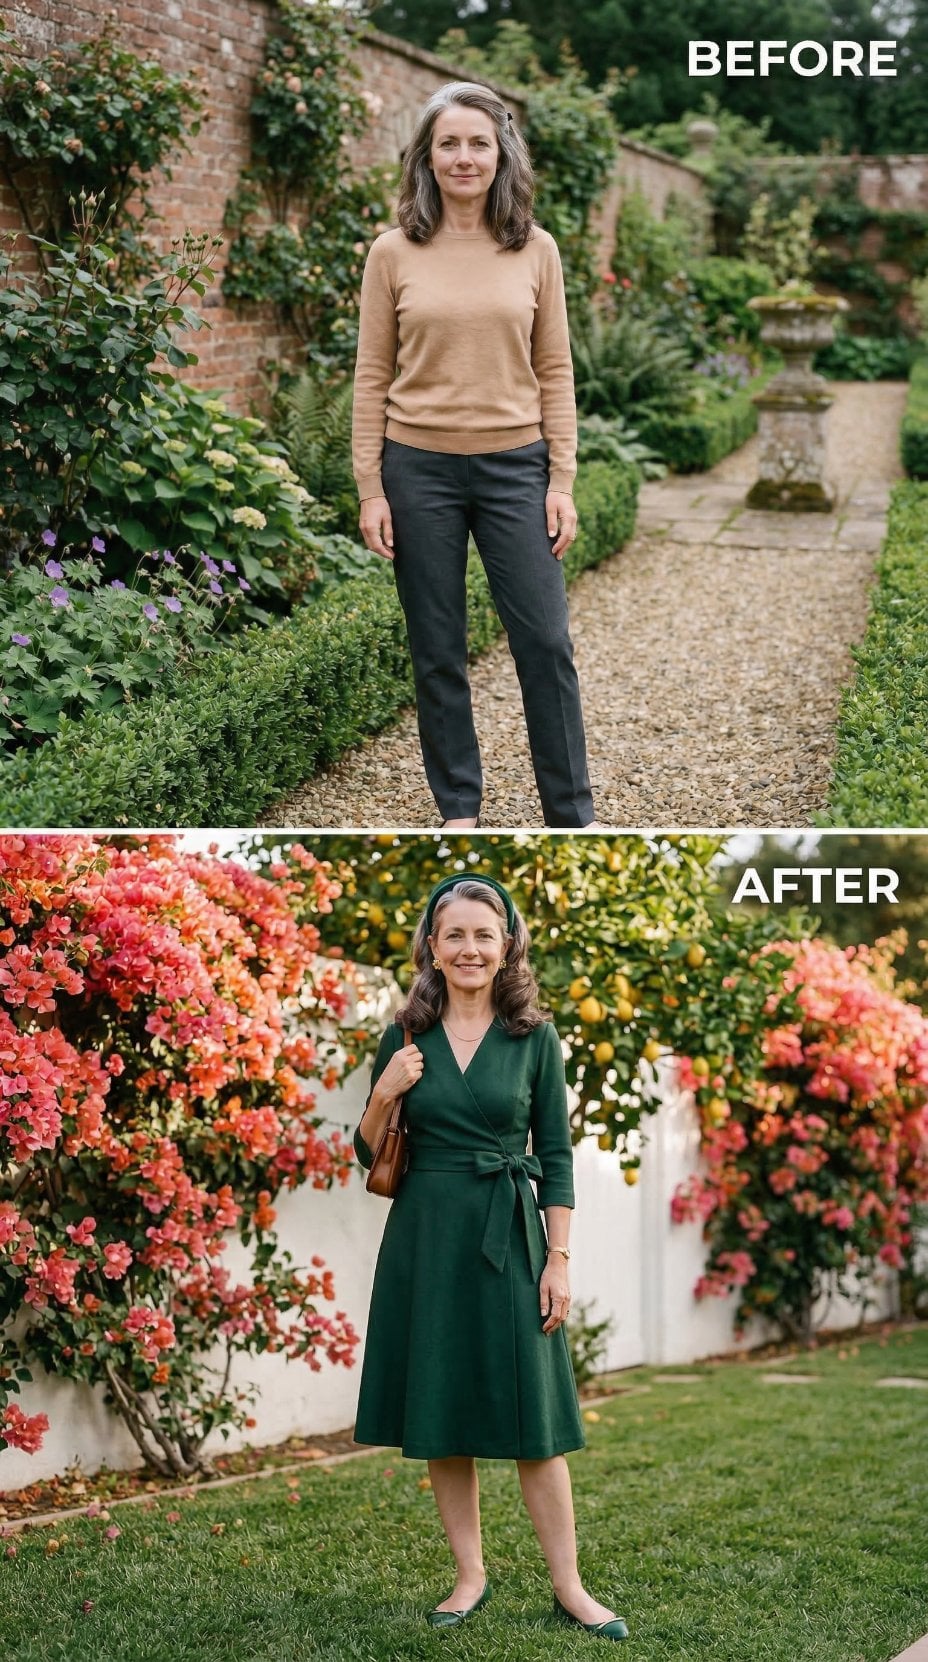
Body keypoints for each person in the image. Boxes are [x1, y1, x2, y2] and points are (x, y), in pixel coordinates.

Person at [352, 874, 628, 1640]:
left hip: (511, 1235)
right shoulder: (404, 1036)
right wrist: (383, 1093)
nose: (470, 948)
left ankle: (570, 1586)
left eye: (484, 934)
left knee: (535, 1422)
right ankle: (469, 1577)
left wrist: (559, 1257)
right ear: (432, 948)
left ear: (507, 945)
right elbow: (367, 1153)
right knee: (444, 1413)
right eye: (455, 935)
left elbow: (559, 1155)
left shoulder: (534, 1037)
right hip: (427, 1237)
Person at [352, 81, 603, 831]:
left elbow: (555, 370)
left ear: (502, 156)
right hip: (417, 469)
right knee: (438, 647)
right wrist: (371, 485)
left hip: (514, 469)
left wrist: (562, 478)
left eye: (478, 143)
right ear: (427, 158)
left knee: (546, 642)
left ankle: (571, 813)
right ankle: (458, 807)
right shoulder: (393, 252)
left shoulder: (536, 249)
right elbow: (371, 374)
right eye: (449, 143)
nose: (464, 157)